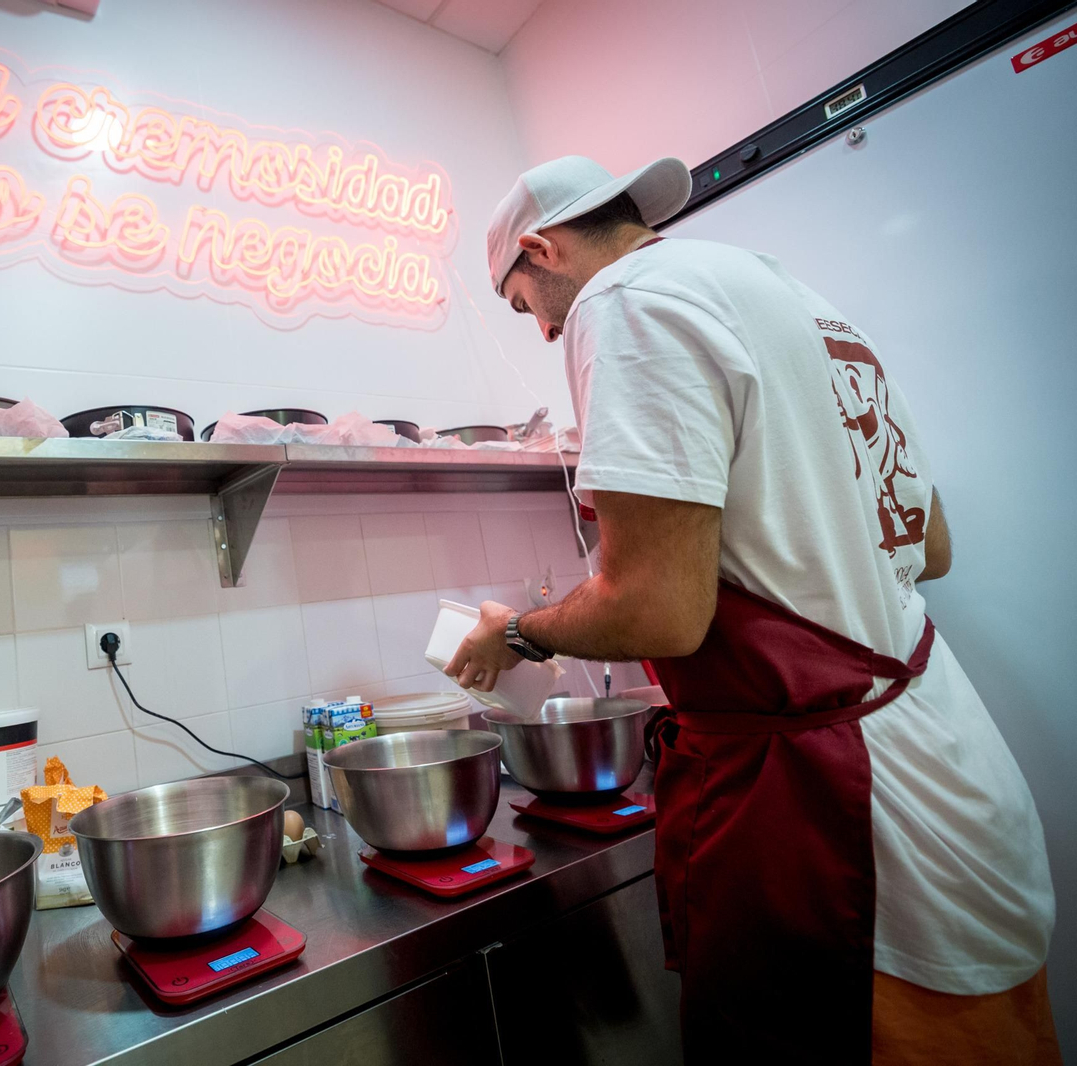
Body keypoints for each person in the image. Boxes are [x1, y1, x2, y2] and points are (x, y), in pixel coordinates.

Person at [446, 155, 1058, 1064]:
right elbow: (929, 547)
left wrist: (519, 632)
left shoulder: (622, 301)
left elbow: (659, 611)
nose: (540, 332)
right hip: (953, 768)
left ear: (540, 248)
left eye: (521, 303)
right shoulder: (801, 303)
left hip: (852, 825)